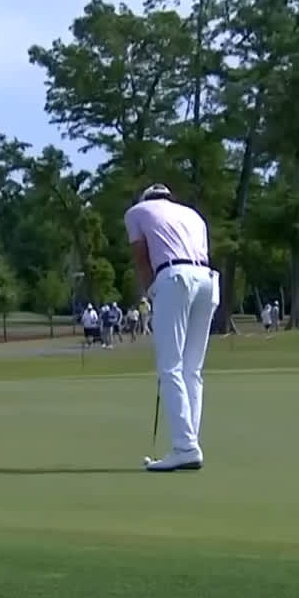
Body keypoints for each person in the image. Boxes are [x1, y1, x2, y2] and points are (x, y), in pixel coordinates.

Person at [125, 183, 218, 472]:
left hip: (174, 277)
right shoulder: (193, 214)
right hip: (207, 280)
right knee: (192, 370)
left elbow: (141, 256)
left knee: (170, 368)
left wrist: (151, 290)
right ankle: (190, 443)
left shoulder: (136, 212)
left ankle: (185, 447)